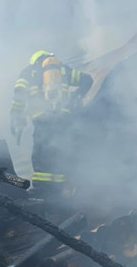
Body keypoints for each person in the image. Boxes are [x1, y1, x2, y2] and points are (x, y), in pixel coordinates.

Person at [9, 50, 94, 201]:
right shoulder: (63, 70)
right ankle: (59, 189)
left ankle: (42, 190)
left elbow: (19, 94)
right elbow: (87, 80)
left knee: (41, 154)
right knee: (59, 153)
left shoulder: (29, 72)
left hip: (43, 120)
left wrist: (16, 117)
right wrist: (77, 95)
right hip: (64, 120)